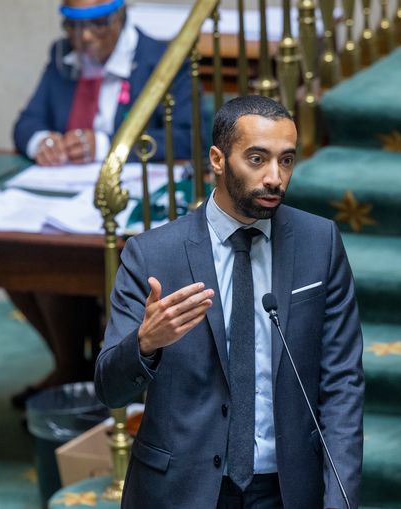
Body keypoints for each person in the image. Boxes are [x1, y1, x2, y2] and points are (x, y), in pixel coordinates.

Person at [95, 95, 364, 509]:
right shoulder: (152, 256)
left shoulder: (319, 243)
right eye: (257, 159)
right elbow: (109, 389)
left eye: (286, 160)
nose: (275, 177)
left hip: (287, 489)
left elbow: (342, 382)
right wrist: (145, 344)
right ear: (218, 160)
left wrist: (340, 500)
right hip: (181, 490)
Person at [9, 0, 193, 408]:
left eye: (97, 26)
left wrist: (111, 145)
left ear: (121, 16)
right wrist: (42, 142)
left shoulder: (163, 59)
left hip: (127, 200)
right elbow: (26, 123)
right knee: (19, 258)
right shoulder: (62, 56)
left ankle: (118, 374)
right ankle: (71, 365)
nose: (85, 38)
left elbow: (187, 136)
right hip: (64, 198)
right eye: (74, 28)